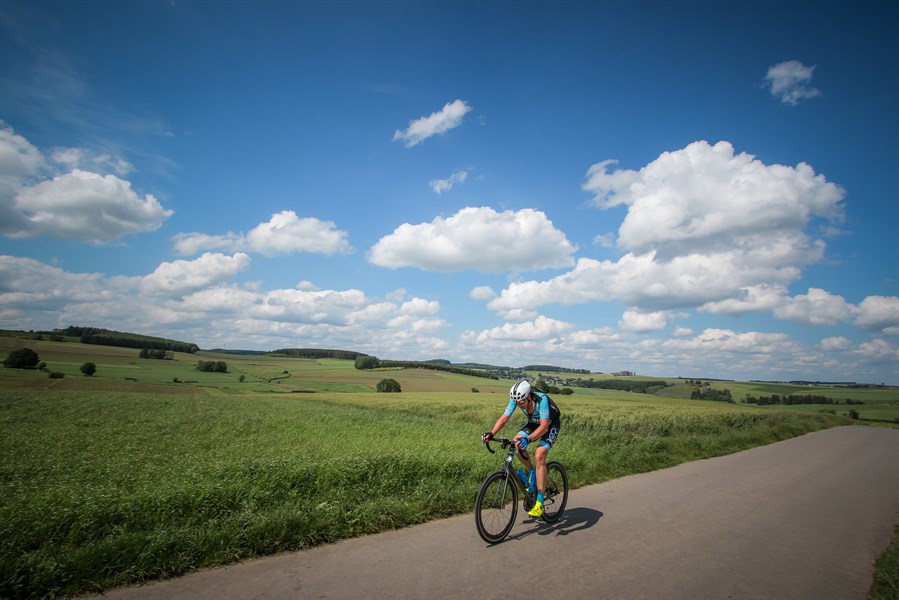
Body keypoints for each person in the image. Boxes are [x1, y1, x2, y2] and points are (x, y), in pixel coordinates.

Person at [482, 380, 561, 518]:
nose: (519, 405)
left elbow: (544, 427)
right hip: (533, 423)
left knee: (539, 455)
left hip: (549, 424)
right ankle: (532, 475)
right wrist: (491, 433)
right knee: (515, 444)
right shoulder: (516, 398)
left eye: (522, 403)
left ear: (529, 396)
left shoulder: (541, 399)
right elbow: (504, 418)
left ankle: (540, 503)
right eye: (516, 402)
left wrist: (528, 439)